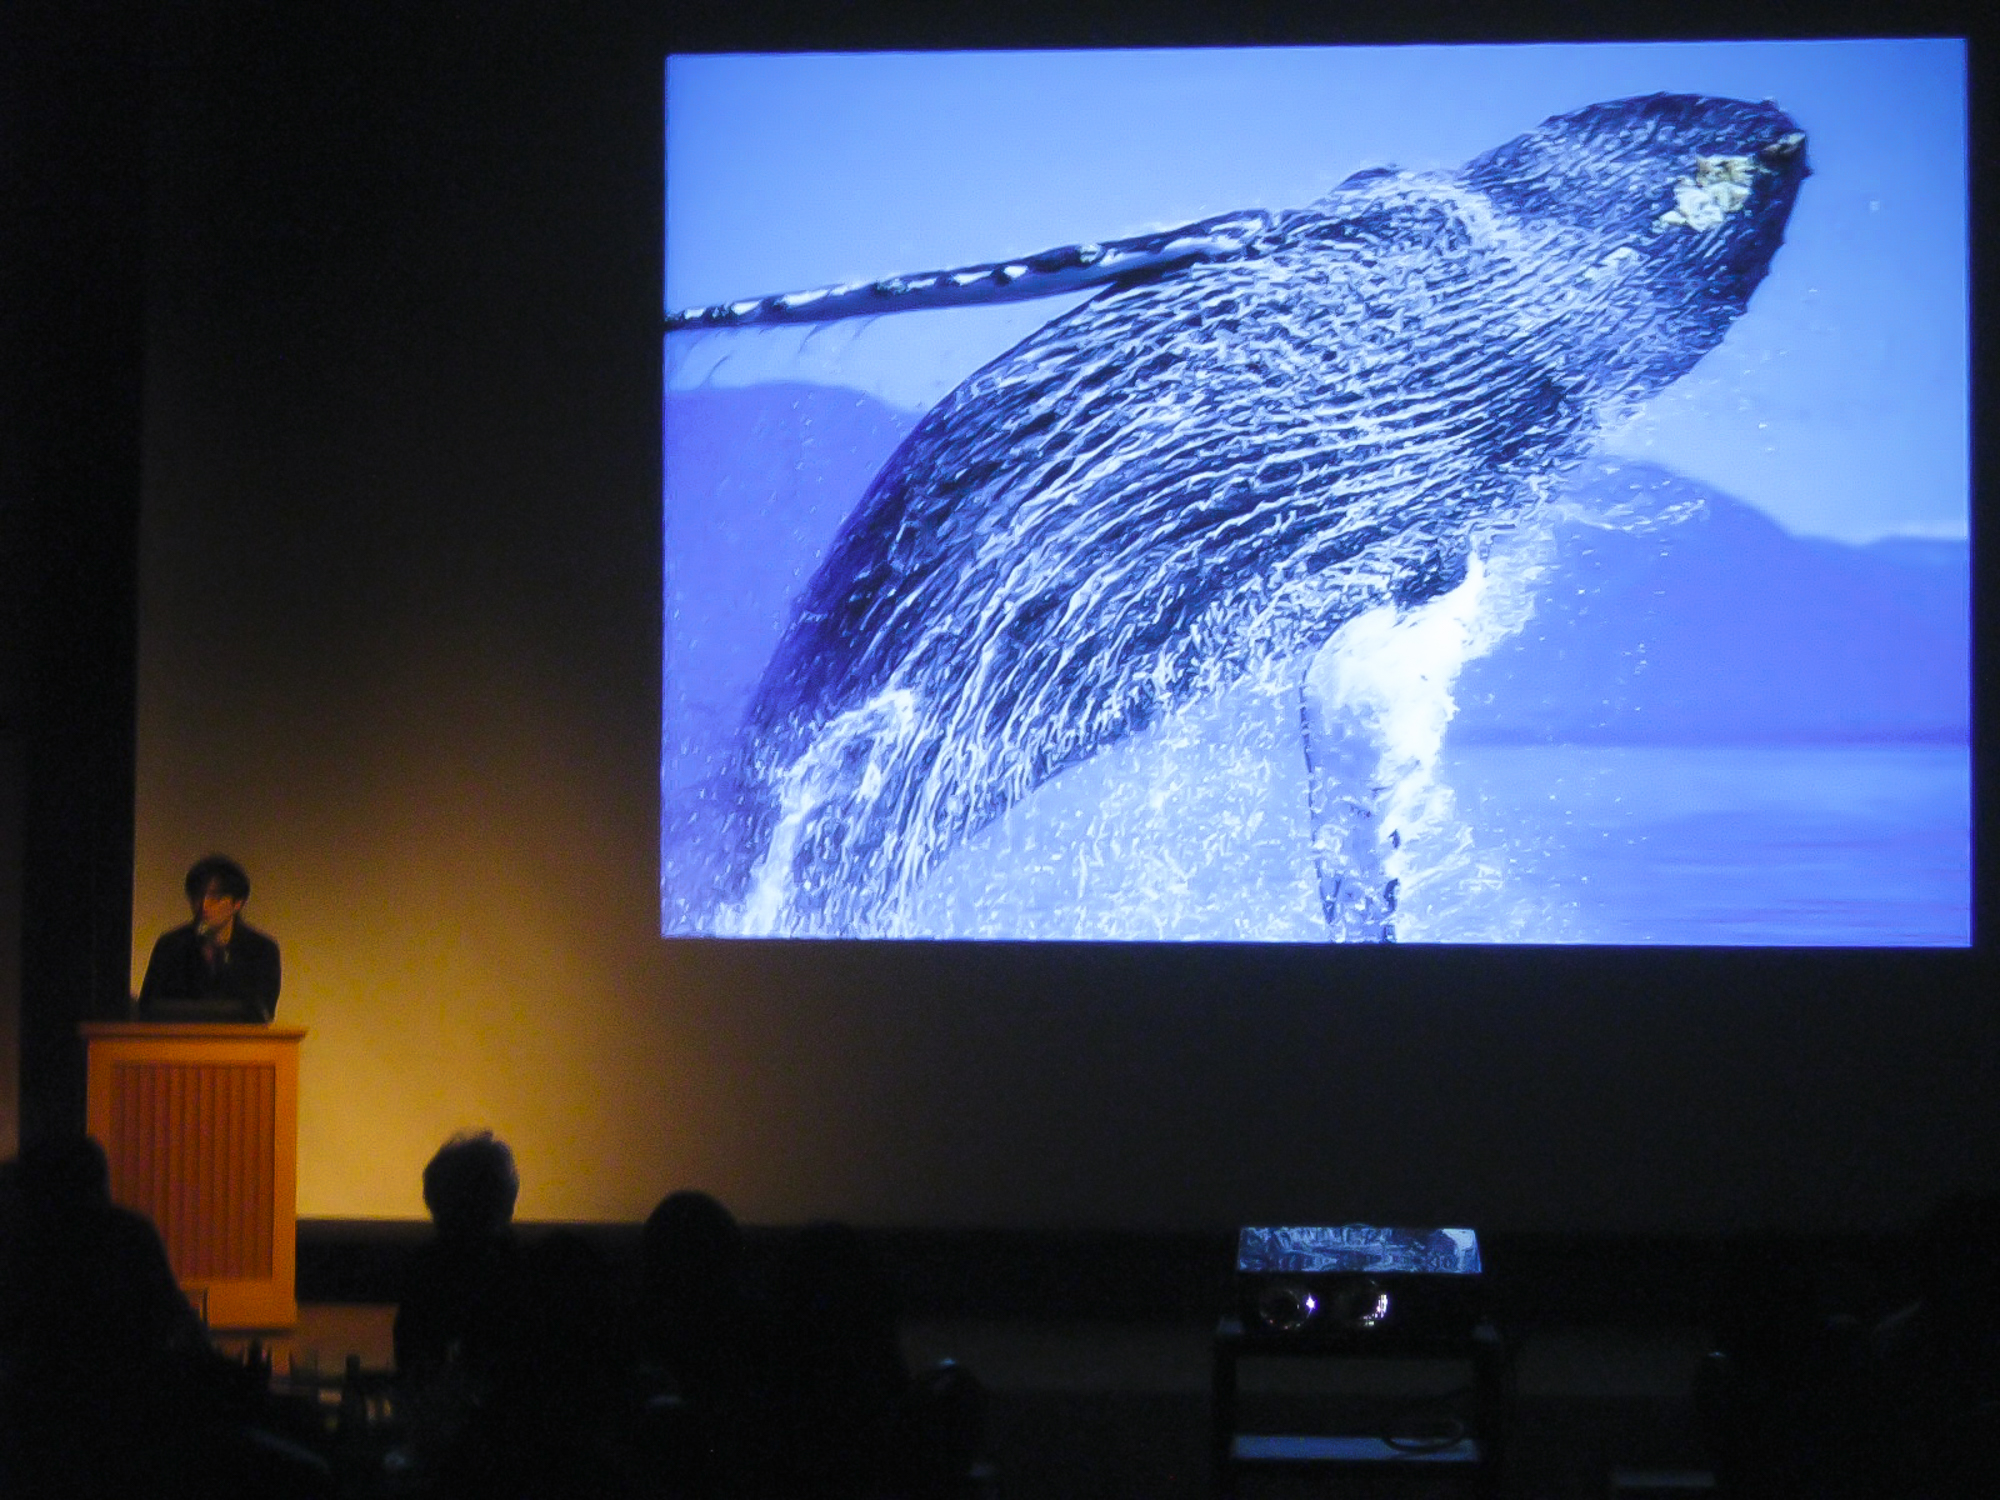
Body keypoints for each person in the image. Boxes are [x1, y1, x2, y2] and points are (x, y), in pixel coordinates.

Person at [138, 854, 281, 1021]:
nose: (204, 906)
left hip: (240, 1044)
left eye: (215, 897)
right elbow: (148, 1007)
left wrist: (223, 956)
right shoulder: (172, 945)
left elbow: (263, 1011)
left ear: (238, 903)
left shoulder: (261, 949)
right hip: (178, 1042)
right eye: (198, 896)